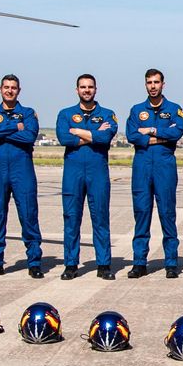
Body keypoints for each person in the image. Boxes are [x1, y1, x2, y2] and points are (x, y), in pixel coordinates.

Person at [0, 74, 43, 278]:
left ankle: (34, 262)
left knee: (28, 215)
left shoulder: (28, 113)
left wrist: (2, 131)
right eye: (6, 87)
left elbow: (29, 136)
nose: (9, 90)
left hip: (21, 171)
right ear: (0, 89)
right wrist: (15, 126)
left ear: (19, 90)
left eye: (13, 87)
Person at [55, 74, 118, 279]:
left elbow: (105, 137)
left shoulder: (108, 114)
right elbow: (65, 137)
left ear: (96, 89)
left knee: (100, 217)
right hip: (73, 173)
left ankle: (103, 264)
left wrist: (78, 132)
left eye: (90, 87)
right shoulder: (65, 114)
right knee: (71, 218)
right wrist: (92, 134)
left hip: (97, 171)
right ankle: (71, 264)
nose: (87, 90)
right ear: (77, 90)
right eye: (83, 87)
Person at [128, 68, 183, 279]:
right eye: (149, 82)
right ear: (145, 85)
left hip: (164, 166)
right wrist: (161, 135)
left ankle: (171, 262)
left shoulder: (174, 109)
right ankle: (139, 262)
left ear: (163, 84)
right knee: (142, 213)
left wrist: (151, 131)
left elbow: (177, 131)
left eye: (156, 82)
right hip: (142, 166)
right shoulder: (136, 110)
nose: (153, 86)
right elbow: (132, 135)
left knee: (167, 213)